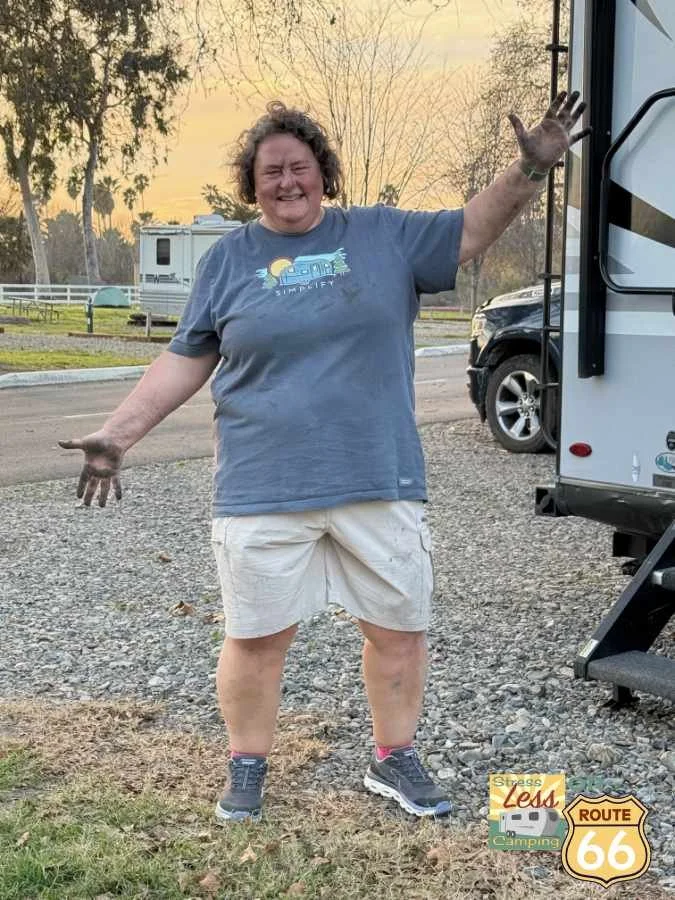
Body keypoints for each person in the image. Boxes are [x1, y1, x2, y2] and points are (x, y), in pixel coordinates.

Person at [60, 94, 587, 823]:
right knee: (256, 636)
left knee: (397, 630)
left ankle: (392, 756)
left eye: (298, 167)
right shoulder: (227, 261)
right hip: (261, 483)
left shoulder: (382, 235)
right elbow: (186, 358)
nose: (286, 182)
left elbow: (472, 229)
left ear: (323, 172)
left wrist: (528, 169)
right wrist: (118, 435)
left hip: (377, 474)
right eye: (270, 172)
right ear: (252, 186)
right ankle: (247, 763)